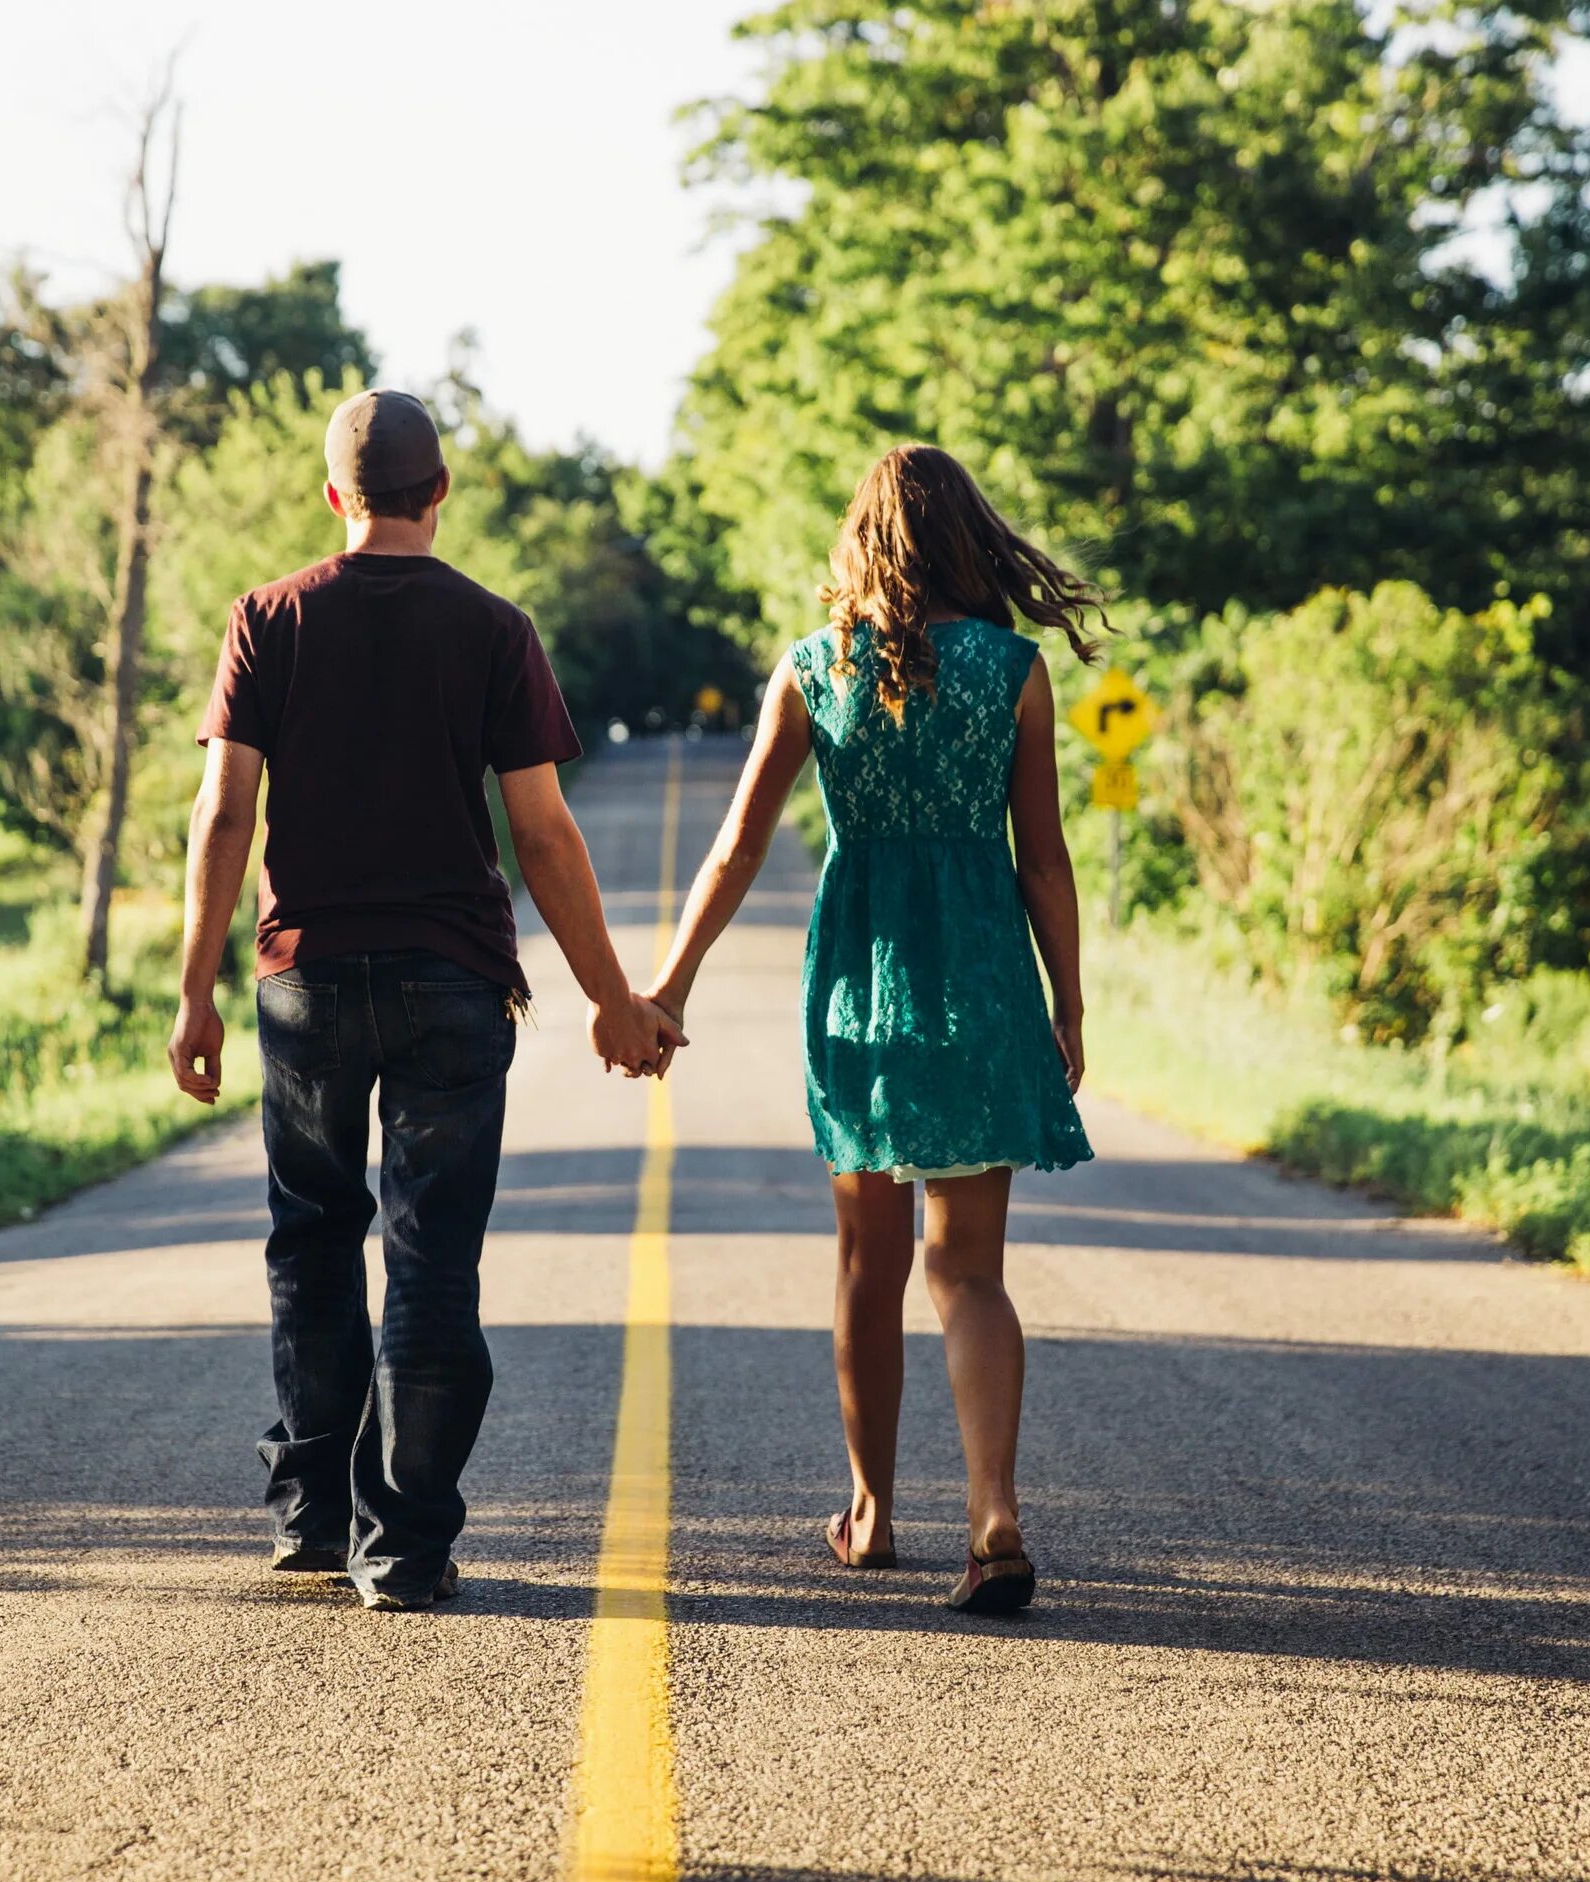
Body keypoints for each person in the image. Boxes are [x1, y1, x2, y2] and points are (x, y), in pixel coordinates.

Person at [169, 387, 683, 1612]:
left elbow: (225, 811)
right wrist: (613, 999)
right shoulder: (495, 629)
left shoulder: (268, 618)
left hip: (304, 980)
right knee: (431, 1256)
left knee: (312, 1235)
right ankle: (402, 1544)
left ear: (335, 495)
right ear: (439, 494)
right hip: (453, 982)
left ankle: (309, 1515)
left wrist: (196, 991)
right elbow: (544, 834)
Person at [643, 443, 1095, 1616]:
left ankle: (874, 1512)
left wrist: (671, 983)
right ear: (968, 540)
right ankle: (994, 1515)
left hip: (860, 985)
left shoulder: (813, 670)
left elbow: (739, 842)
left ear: (864, 539)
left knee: (868, 1263)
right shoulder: (1015, 671)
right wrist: (1069, 998)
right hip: (986, 977)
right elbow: (1042, 857)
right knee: (971, 1270)